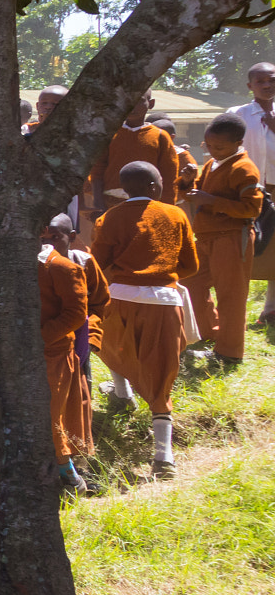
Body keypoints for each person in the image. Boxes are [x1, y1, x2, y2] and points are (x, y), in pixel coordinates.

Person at [91, 161, 198, 480]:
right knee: (162, 369)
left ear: (126, 189)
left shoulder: (109, 218)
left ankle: (122, 393)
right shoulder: (176, 214)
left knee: (112, 345)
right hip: (162, 302)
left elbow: (98, 263)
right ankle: (163, 457)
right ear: (154, 187)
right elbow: (190, 265)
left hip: (120, 297)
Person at [181, 113, 262, 365]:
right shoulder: (214, 163)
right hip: (206, 237)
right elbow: (202, 191)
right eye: (209, 146)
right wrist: (187, 182)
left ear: (238, 143)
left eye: (220, 147)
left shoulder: (244, 168)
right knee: (191, 282)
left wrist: (210, 201)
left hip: (231, 238)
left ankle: (229, 352)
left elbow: (251, 209)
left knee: (231, 295)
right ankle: (210, 333)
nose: (213, 151)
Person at [37, 232, 91, 492]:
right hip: (19, 354)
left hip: (53, 354)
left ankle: (68, 475)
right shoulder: (9, 265)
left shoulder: (62, 267)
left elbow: (76, 314)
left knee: (52, 416)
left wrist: (40, 337)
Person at [224, 62, 275, 322]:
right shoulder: (238, 114)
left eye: (272, 80)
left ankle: (271, 309)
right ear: (250, 86)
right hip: (248, 191)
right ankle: (234, 312)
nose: (267, 86)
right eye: (261, 81)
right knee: (245, 247)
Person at [85, 94, 178, 233]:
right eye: (126, 101)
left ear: (151, 103)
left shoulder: (160, 137)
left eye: (139, 101)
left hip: (148, 205)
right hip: (112, 203)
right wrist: (98, 204)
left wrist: (165, 210)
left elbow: (169, 177)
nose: (132, 106)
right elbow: (97, 170)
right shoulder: (109, 134)